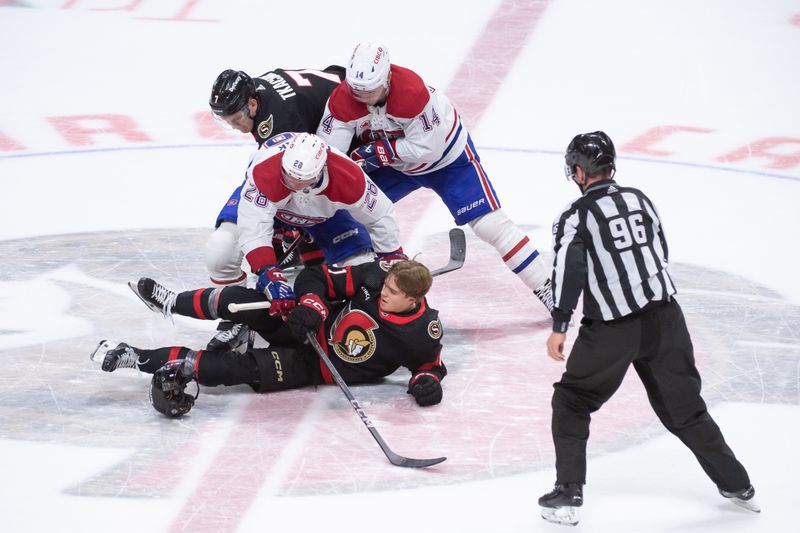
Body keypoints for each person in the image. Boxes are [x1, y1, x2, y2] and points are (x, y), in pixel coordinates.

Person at [537, 131, 758, 526]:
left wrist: (559, 325)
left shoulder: (576, 215)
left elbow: (568, 272)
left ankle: (568, 492)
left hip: (611, 330)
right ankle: (737, 484)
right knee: (686, 409)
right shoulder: (640, 199)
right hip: (667, 320)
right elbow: (661, 251)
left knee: (571, 401)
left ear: (577, 171)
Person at [315, 42, 554, 312]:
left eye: (369, 90)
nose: (361, 96)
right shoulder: (343, 98)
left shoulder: (411, 92)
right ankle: (360, 279)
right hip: (395, 163)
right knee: (342, 209)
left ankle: (545, 287)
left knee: (490, 225)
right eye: (356, 90)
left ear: (387, 79)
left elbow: (428, 148)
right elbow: (331, 154)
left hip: (447, 160)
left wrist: (379, 150)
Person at [90, 260, 447, 416]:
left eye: (394, 292)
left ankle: (133, 356)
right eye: (386, 285)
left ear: (413, 301)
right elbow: (317, 276)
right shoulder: (375, 276)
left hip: (313, 366)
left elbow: (430, 367)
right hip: (303, 325)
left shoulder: (421, 333)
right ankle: (173, 302)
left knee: (232, 369)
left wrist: (427, 383)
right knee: (238, 300)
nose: (384, 292)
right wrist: (313, 303)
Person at [205, 67, 366, 350]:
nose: (232, 125)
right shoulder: (257, 101)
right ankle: (237, 316)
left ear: (252, 104)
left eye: (235, 119)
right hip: (306, 149)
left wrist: (282, 232)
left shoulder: (278, 119)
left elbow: (293, 180)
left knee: (359, 264)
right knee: (222, 249)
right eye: (225, 119)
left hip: (333, 159)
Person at [235, 131, 403, 321]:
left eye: (301, 180)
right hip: (273, 209)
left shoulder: (348, 175)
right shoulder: (264, 172)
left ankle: (349, 320)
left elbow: (380, 215)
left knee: (360, 268)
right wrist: (267, 270)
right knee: (222, 250)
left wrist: (390, 256)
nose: (293, 183)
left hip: (324, 215)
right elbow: (252, 228)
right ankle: (236, 320)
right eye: (289, 175)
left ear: (322, 168)